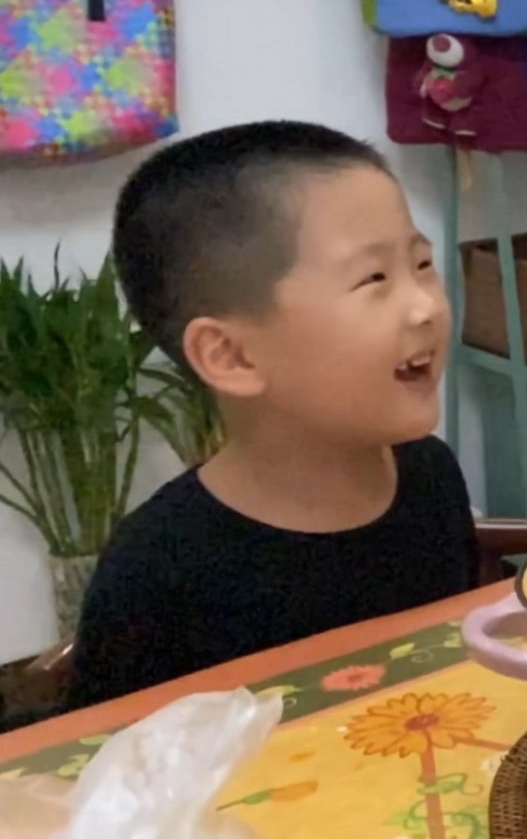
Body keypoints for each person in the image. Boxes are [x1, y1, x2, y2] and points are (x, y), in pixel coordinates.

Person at [70, 121, 478, 708]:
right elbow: (117, 785)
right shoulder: (157, 574)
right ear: (231, 355)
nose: (425, 306)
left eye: (421, 264)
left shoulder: (430, 475)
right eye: (374, 279)